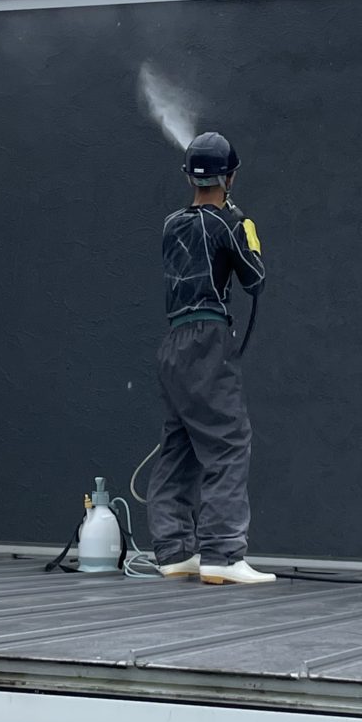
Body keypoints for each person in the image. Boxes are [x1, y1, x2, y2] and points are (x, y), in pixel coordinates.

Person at [147, 131, 273, 584]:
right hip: (207, 340)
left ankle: (174, 551)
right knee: (228, 441)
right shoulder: (228, 224)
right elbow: (255, 280)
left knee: (179, 444)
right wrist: (246, 231)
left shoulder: (170, 224)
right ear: (230, 177)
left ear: (189, 177)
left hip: (173, 343)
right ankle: (222, 554)